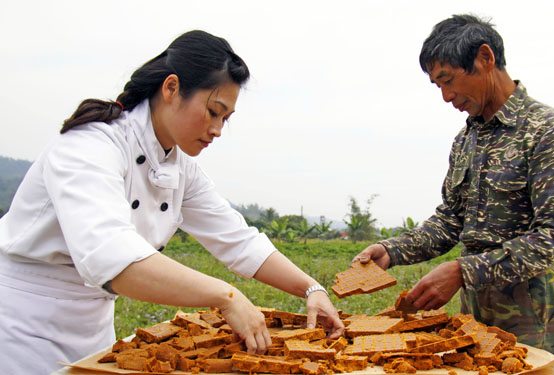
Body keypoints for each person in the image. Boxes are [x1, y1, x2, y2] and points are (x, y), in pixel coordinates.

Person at [0, 30, 344, 374]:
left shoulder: (180, 168)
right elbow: (112, 258)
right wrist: (226, 296)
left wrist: (310, 288)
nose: (218, 129)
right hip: (24, 325)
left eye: (226, 119)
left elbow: (239, 240)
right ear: (171, 88)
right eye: (213, 111)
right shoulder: (90, 146)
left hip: (93, 326)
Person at [353, 14, 554, 354]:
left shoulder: (547, 131)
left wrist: (462, 271)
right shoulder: (467, 139)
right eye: (438, 86)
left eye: (449, 80)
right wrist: (392, 251)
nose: (446, 96)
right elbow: (450, 221)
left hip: (529, 306)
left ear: (485, 59)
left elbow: (550, 238)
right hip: (474, 302)